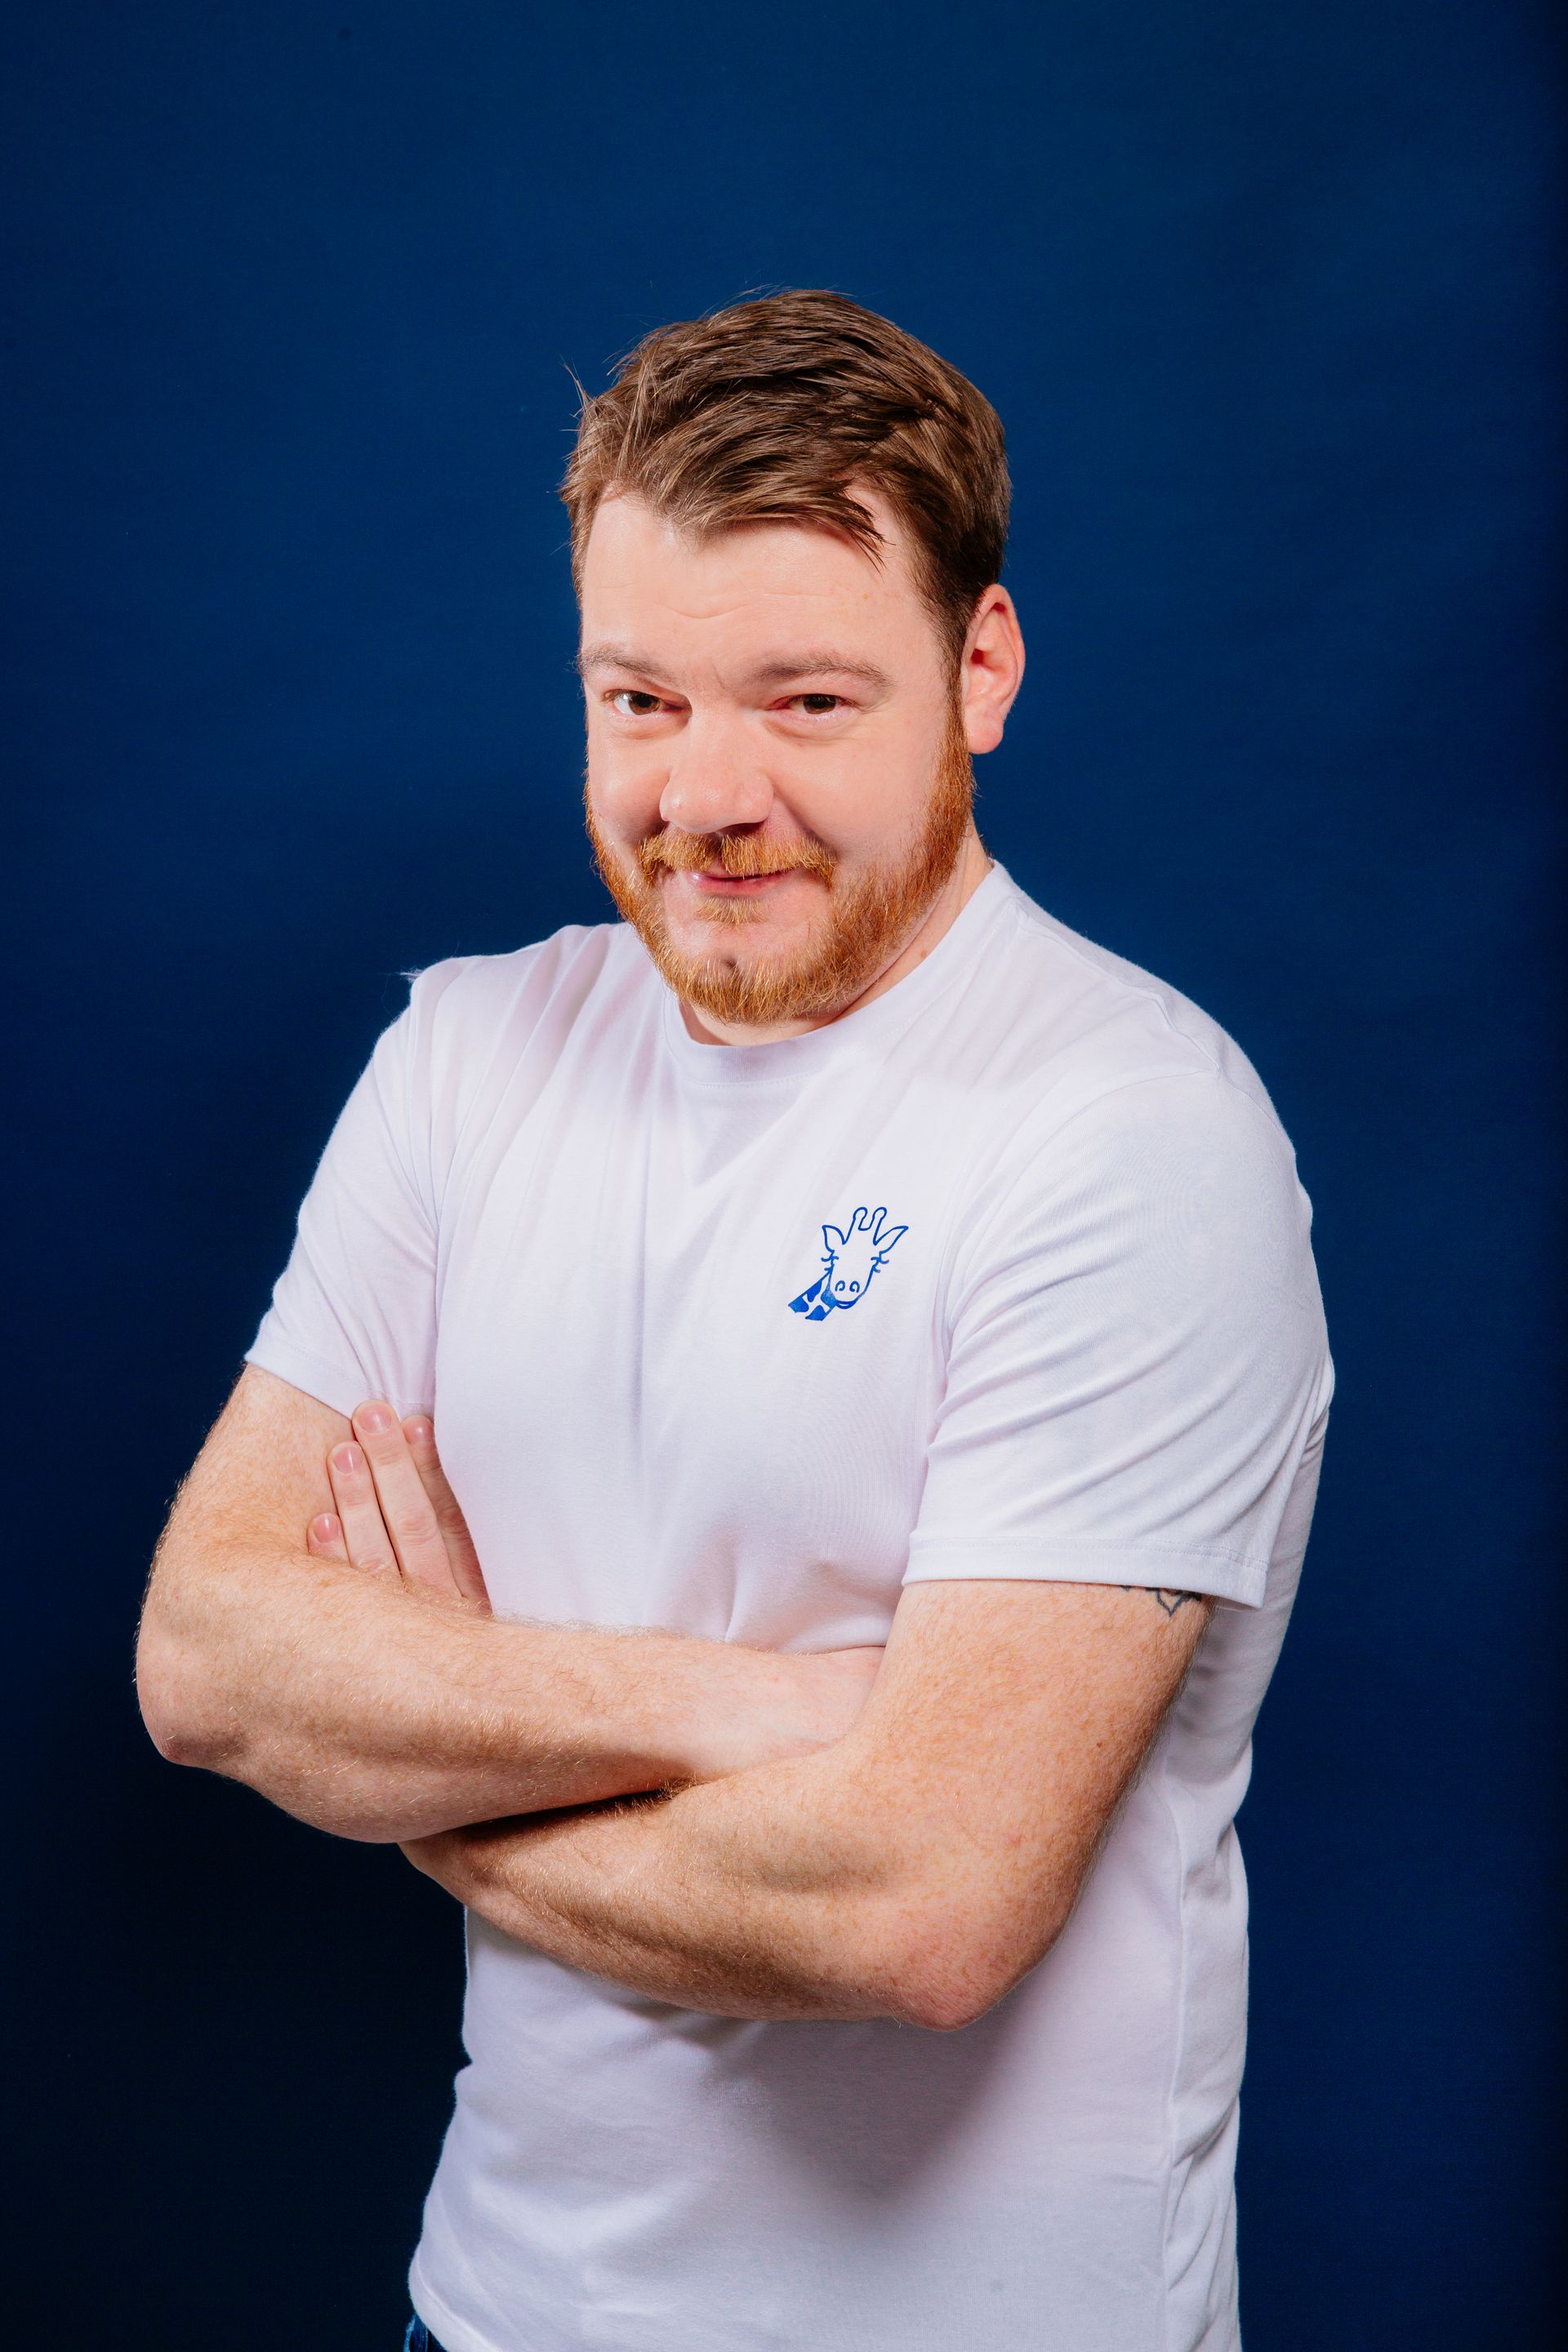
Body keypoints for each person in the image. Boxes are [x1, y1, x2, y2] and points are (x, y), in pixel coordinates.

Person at [137, 290, 1332, 2352]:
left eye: (805, 701)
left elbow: (923, 1905)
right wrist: (750, 1708)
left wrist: (431, 1756)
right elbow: (206, 1659)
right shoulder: (467, 1055)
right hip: (493, 2313)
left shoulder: (1131, 1135)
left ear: (981, 670)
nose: (707, 794)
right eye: (640, 700)